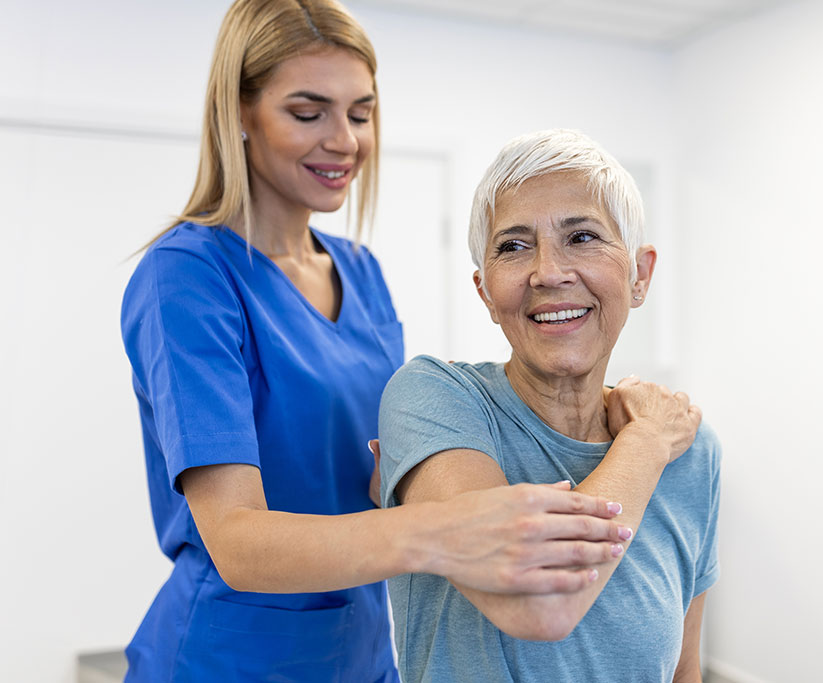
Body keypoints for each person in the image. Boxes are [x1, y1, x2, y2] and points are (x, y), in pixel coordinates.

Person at [119, 3, 637, 680]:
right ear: (240, 114)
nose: (344, 140)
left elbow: (375, 466)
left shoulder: (360, 272)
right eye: (309, 113)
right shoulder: (188, 275)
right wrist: (450, 533)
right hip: (230, 655)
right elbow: (238, 541)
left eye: (360, 113)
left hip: (362, 649)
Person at [379, 129, 721, 682]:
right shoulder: (435, 399)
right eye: (513, 246)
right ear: (485, 291)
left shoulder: (692, 451)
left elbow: (684, 668)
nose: (549, 272)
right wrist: (645, 443)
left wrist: (659, 442)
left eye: (582, 236)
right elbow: (539, 598)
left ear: (640, 274)